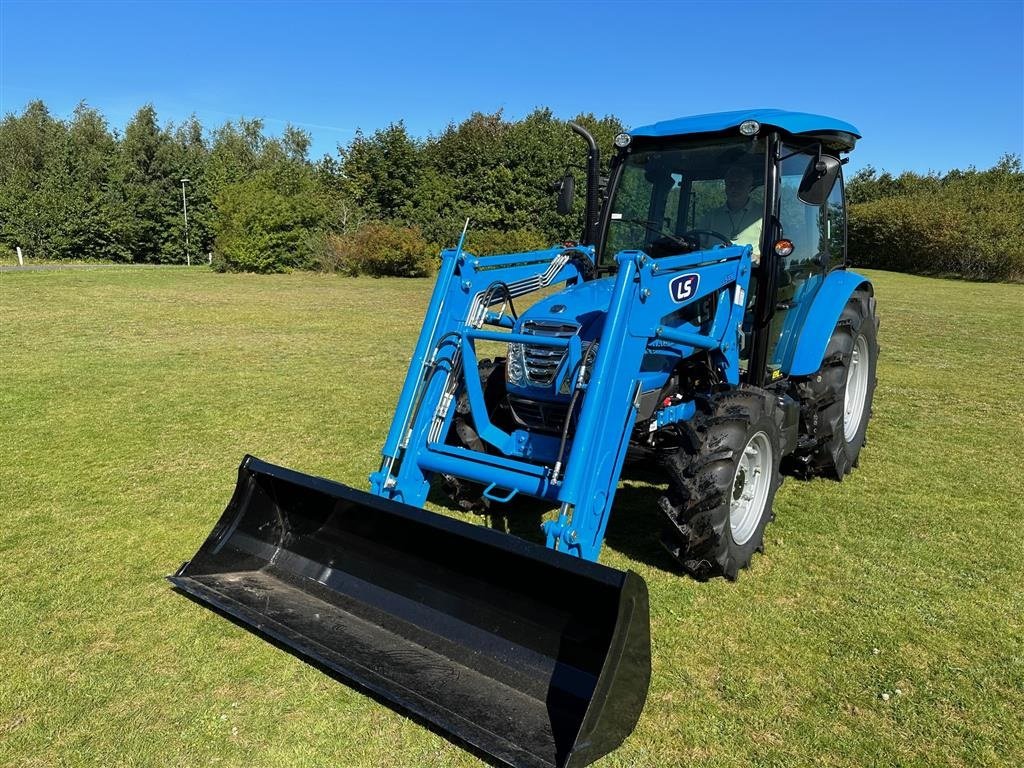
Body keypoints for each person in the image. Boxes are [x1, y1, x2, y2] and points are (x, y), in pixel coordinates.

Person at [700, 164, 762, 263]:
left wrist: (757, 258)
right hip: (713, 273)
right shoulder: (711, 216)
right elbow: (698, 247)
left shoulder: (763, 216)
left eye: (740, 184)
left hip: (751, 274)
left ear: (750, 187)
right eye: (730, 183)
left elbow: (772, 255)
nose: (734, 188)